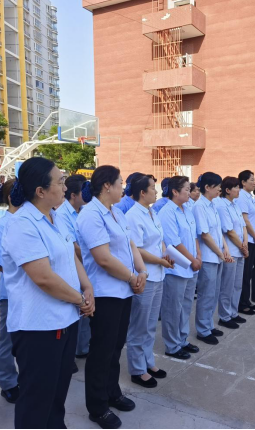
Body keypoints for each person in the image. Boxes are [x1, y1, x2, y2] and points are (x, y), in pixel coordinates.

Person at [2, 157, 95, 429]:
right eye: (60, 182)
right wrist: (80, 299)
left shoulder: (55, 217)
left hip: (66, 319)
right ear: (40, 191)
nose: (65, 187)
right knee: (36, 399)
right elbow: (43, 278)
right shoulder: (22, 224)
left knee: (57, 393)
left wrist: (87, 286)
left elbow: (71, 255)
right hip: (39, 327)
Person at [76, 166, 147, 429]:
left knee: (116, 347)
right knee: (101, 351)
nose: (123, 188)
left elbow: (130, 244)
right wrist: (131, 277)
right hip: (106, 293)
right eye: (120, 183)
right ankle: (97, 407)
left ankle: (112, 392)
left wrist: (142, 272)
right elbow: (103, 258)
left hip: (124, 290)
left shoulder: (116, 212)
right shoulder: (91, 215)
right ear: (107, 186)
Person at [125, 173, 174, 389]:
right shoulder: (133, 216)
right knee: (140, 325)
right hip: (145, 276)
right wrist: (160, 260)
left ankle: (147, 361)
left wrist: (165, 255)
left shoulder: (152, 212)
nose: (157, 191)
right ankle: (137, 369)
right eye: (153, 188)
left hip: (158, 274)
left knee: (151, 324)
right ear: (142, 192)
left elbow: (160, 240)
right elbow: (137, 249)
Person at [158, 176, 202, 360]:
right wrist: (192, 260)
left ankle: (182, 339)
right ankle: (172, 345)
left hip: (191, 266)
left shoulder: (187, 210)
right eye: (186, 189)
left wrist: (198, 256)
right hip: (177, 267)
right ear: (175, 192)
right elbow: (174, 243)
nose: (189, 193)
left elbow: (194, 236)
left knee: (185, 306)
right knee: (172, 308)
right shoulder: (167, 212)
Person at [0, 180, 21, 405]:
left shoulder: (32, 222)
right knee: (8, 342)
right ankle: (8, 383)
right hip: (11, 295)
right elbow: (5, 267)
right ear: (11, 197)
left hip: (36, 294)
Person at [193, 172, 232, 346]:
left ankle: (208, 325)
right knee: (206, 294)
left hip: (217, 255)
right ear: (207, 187)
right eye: (217, 187)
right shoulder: (199, 206)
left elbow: (218, 231)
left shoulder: (212, 204)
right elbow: (205, 234)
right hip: (209, 257)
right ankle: (202, 330)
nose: (219, 190)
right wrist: (220, 253)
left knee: (214, 293)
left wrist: (225, 249)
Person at [56, 174, 91, 363]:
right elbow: (74, 248)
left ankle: (82, 348)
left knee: (85, 311)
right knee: (75, 309)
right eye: (83, 191)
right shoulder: (62, 215)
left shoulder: (84, 210)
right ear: (73, 195)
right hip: (75, 268)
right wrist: (96, 258)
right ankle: (73, 351)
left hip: (86, 268)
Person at [216, 177, 248, 330]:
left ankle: (233, 312)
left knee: (237, 284)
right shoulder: (222, 206)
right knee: (227, 286)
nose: (238, 190)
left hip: (240, 250)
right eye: (236, 187)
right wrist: (242, 247)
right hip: (232, 252)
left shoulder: (235, 205)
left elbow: (243, 226)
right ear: (227, 190)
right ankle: (224, 316)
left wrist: (245, 243)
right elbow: (229, 231)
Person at [236, 170, 255, 316]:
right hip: (248, 240)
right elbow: (245, 220)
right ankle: (242, 303)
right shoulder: (241, 197)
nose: (254, 182)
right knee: (245, 274)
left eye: (254, 179)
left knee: (249, 272)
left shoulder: (250, 197)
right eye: (251, 180)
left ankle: (246, 301)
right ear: (243, 182)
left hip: (254, 238)